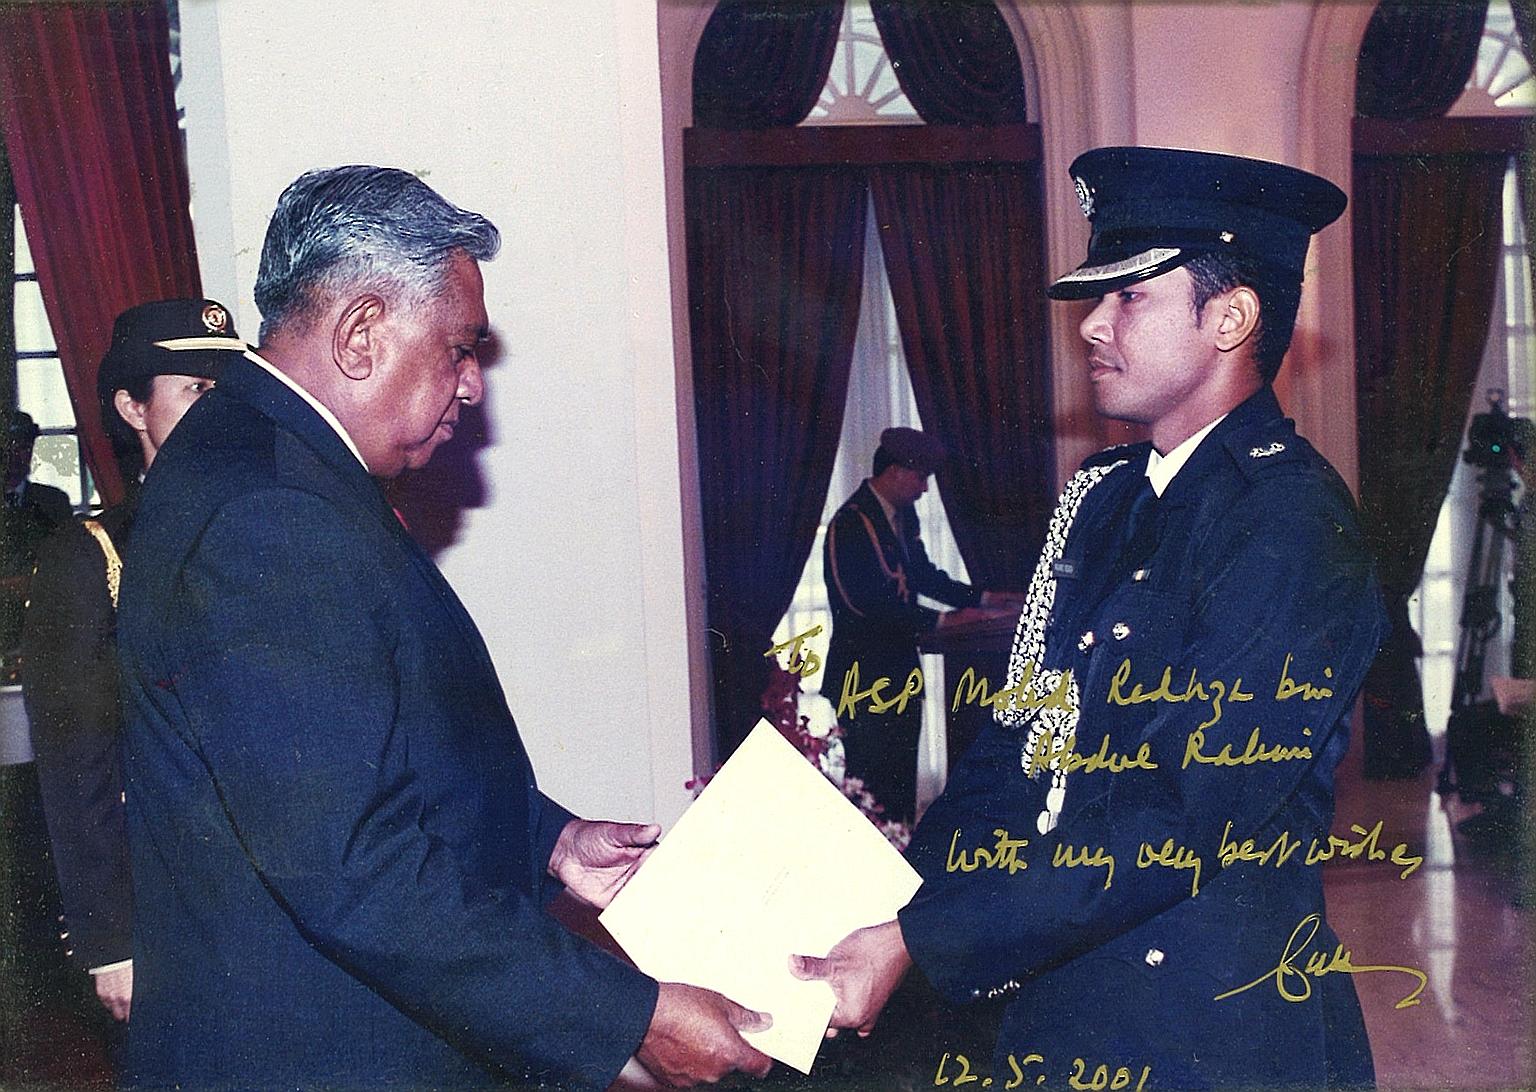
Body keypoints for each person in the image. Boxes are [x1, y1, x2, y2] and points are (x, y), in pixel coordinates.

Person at [115, 167, 771, 1089]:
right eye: (460, 348)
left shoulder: (265, 460)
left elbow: (366, 758)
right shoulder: (274, 511)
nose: (471, 386)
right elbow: (355, 868)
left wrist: (545, 840)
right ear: (360, 334)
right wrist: (633, 1015)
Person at [797, 147, 1387, 1089]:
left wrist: (923, 940)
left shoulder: (1290, 525)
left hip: (1198, 1019)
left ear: (1230, 318)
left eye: (1131, 297)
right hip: (1051, 984)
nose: (1092, 327)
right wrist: (904, 905)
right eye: (1094, 298)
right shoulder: (1103, 496)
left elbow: (1181, 814)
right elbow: (1016, 744)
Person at [23, 299, 240, 1033]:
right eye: (194, 389)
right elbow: (75, 763)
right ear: (131, 407)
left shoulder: (270, 534)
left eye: (227, 390)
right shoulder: (92, 557)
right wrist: (110, 940)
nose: (218, 409)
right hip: (164, 901)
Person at [822, 428, 1007, 824]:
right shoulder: (850, 524)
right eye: (920, 477)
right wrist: (943, 619)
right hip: (862, 680)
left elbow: (923, 576)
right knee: (871, 793)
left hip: (900, 672)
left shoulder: (901, 517)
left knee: (901, 788)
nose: (924, 489)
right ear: (894, 472)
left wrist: (986, 600)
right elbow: (867, 606)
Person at [1, 411, 72, 668]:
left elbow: (68, 568)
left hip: (42, 632)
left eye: (23, 447)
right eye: (6, 447)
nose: (14, 456)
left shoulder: (53, 503)